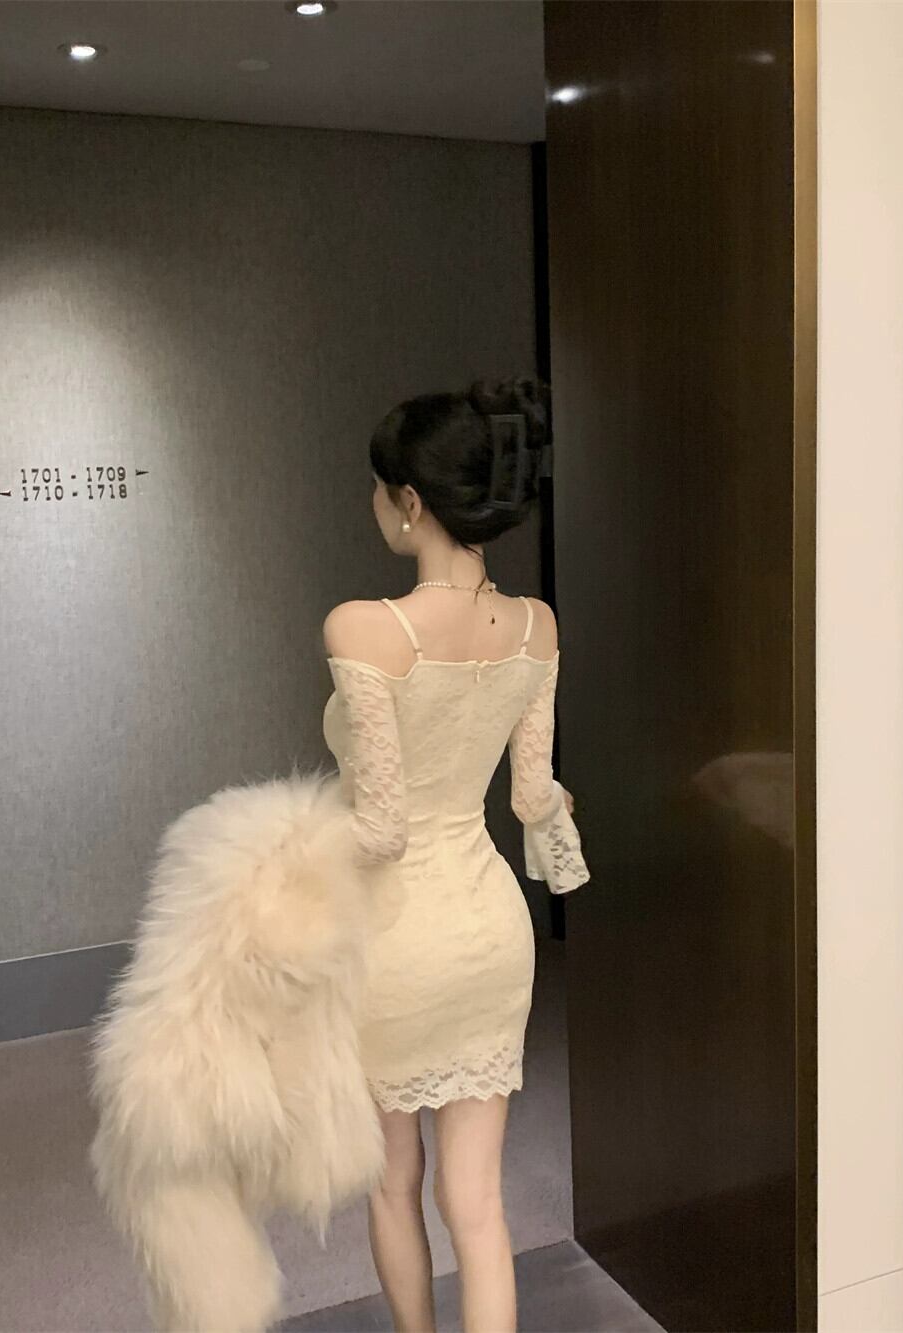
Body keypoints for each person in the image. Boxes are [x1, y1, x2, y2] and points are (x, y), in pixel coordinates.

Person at [321, 377, 590, 1333]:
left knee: (393, 1183)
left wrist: (282, 860)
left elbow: (381, 830)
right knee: (478, 1204)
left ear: (410, 500)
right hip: (488, 931)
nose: (375, 503)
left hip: (394, 939)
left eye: (377, 486)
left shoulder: (363, 628)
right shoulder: (536, 625)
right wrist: (565, 822)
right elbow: (530, 796)